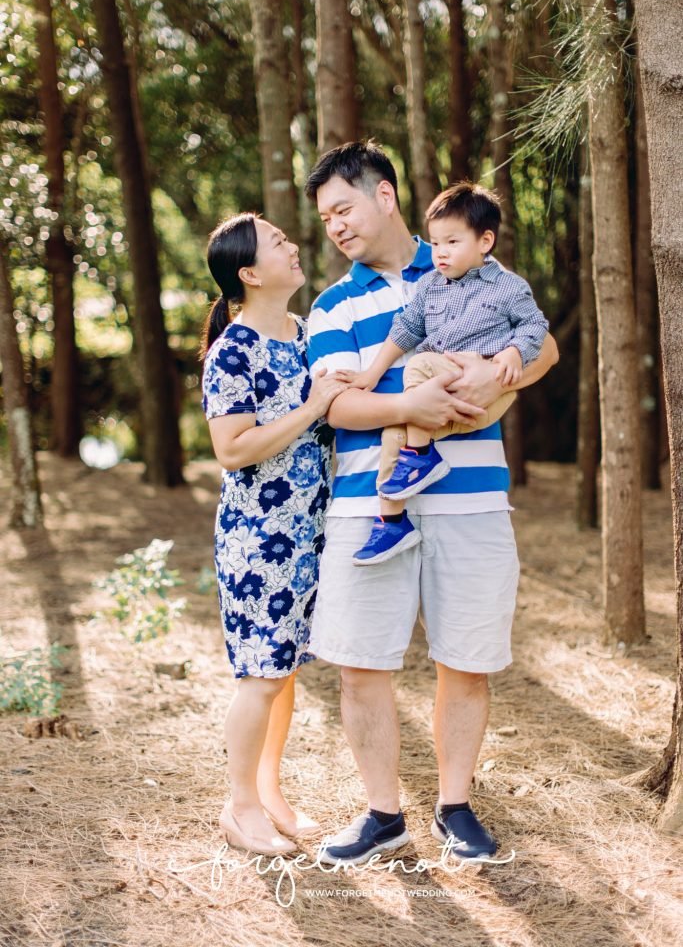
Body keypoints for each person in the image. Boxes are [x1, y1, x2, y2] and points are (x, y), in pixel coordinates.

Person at [305, 141, 559, 865]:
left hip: (472, 497)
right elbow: (335, 407)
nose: (337, 227)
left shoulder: (471, 265)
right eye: (325, 219)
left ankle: (454, 804)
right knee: (360, 665)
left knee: (465, 660)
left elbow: (539, 350)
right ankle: (382, 813)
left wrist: (491, 377)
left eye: (344, 209)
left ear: (383, 195)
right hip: (366, 499)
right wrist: (410, 402)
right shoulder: (332, 304)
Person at [201, 212, 346, 857]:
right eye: (279, 243)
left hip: (310, 531)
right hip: (260, 537)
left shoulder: (307, 333)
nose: (293, 245)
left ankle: (268, 792)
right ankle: (239, 809)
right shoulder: (234, 349)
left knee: (281, 672)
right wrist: (311, 407)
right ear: (250, 274)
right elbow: (232, 450)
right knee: (261, 676)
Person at [342, 181, 549, 565]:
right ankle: (391, 522)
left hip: (486, 390)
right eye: (435, 243)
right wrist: (371, 374)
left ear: (484, 242)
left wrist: (513, 351)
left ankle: (420, 455)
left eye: (452, 243)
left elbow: (535, 326)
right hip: (445, 393)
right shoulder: (429, 287)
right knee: (396, 431)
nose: (439, 253)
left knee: (418, 365)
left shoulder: (507, 286)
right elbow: (404, 330)